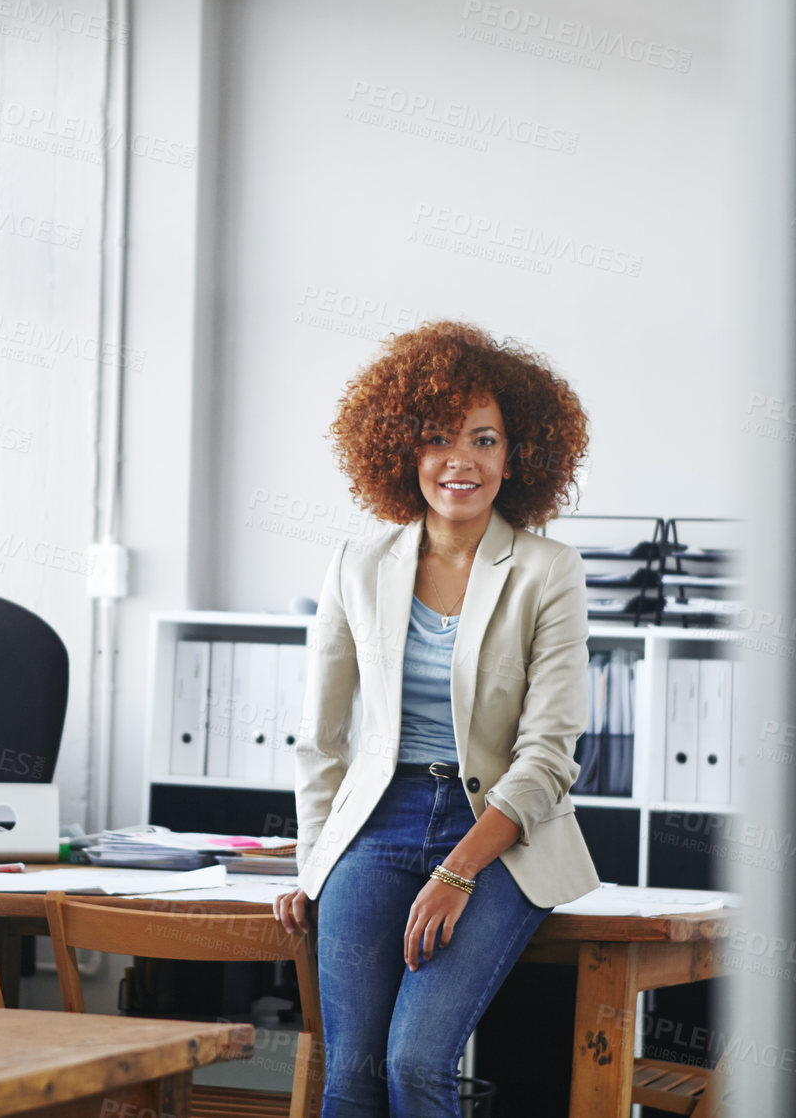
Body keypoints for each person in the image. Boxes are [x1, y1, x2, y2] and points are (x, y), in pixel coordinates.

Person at [272, 319, 602, 1117]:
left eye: (484, 440)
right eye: (438, 438)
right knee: (349, 1075)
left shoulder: (548, 571)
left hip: (495, 835)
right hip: (377, 827)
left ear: (515, 455)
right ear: (402, 452)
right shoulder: (359, 565)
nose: (462, 461)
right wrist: (312, 866)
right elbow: (322, 739)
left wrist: (458, 870)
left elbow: (550, 755)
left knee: (415, 1064)